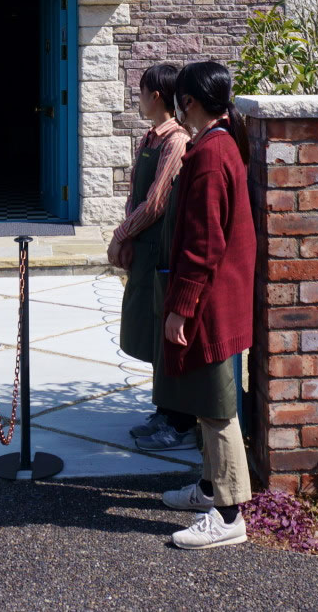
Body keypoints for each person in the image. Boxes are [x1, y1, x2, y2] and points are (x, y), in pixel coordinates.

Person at [157, 59, 256, 550]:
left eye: (180, 99)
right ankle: (207, 489)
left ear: (189, 103)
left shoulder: (212, 156)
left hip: (212, 302)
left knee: (217, 407)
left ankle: (230, 512)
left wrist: (181, 306)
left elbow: (203, 244)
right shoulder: (219, 146)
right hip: (219, 296)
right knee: (205, 399)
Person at [107, 63, 193, 451]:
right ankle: (164, 409)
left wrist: (121, 233)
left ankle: (179, 421)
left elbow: (156, 201)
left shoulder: (176, 141)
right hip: (143, 248)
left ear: (156, 96)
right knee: (149, 329)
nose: (137, 98)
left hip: (161, 251)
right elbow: (135, 197)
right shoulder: (149, 139)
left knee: (167, 334)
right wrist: (127, 235)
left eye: (140, 91)